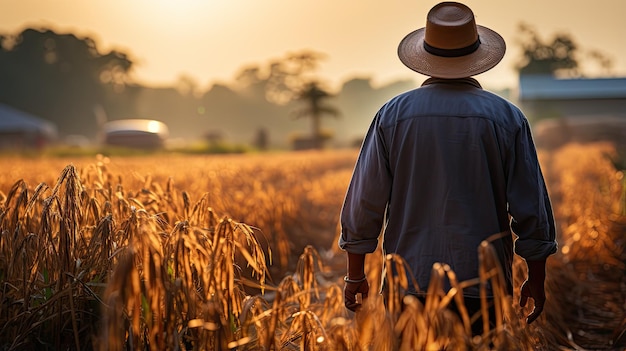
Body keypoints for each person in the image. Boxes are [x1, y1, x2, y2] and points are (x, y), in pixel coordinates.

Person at [338, 1, 558, 335]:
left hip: (407, 283)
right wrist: (536, 277)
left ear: (426, 58)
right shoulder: (507, 118)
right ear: (476, 57)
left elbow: (365, 202)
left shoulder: (392, 115)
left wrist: (356, 274)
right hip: (484, 283)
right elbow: (532, 208)